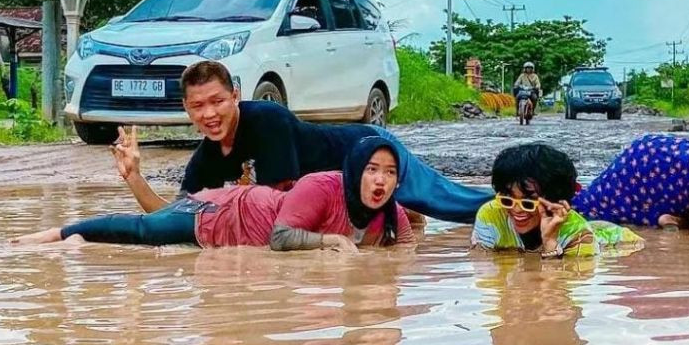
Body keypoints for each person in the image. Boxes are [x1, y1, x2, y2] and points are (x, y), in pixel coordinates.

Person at [111, 59, 491, 224]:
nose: (209, 114)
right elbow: (174, 215)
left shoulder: (267, 120)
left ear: (236, 95)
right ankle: (401, 215)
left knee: (450, 203)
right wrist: (134, 177)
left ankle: (532, 200)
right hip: (340, 188)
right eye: (198, 106)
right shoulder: (208, 157)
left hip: (367, 149)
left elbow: (281, 207)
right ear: (187, 110)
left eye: (217, 101)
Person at [17, 137, 414, 253]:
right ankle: (59, 232)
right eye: (371, 170)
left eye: (390, 173)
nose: (379, 181)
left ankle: (81, 234)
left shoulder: (390, 213)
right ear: (353, 171)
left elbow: (406, 253)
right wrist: (332, 240)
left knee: (156, 224)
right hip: (217, 213)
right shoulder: (320, 187)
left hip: (237, 235)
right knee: (147, 231)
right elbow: (280, 239)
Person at [472, 142, 641, 258]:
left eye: (529, 202)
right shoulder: (491, 215)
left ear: (555, 202)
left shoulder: (576, 233)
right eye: (508, 199)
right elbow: (482, 268)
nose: (516, 210)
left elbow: (558, 289)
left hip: (618, 243)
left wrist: (550, 243)